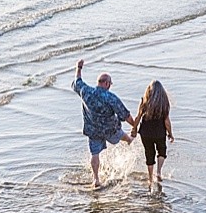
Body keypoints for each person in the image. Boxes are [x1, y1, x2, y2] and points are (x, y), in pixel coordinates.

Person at [72, 59, 135, 189]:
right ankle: (128, 139)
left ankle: (96, 179)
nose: (110, 86)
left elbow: (77, 81)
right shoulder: (111, 97)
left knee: (94, 154)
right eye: (110, 84)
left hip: (93, 130)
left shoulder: (86, 91)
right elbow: (125, 115)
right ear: (106, 84)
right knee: (121, 134)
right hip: (110, 130)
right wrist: (135, 126)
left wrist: (79, 67)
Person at [131, 80, 175, 187]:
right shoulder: (164, 103)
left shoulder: (144, 102)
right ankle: (159, 172)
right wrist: (170, 134)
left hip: (146, 132)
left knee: (149, 153)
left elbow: (138, 117)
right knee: (162, 151)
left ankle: (150, 178)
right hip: (159, 132)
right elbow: (167, 122)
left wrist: (134, 128)